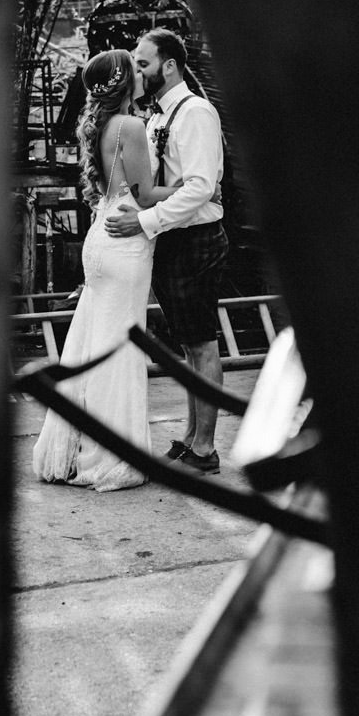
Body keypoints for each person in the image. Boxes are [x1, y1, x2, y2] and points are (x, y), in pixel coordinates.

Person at [32, 48, 182, 491]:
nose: (141, 73)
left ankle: (78, 448)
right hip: (125, 240)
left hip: (101, 235)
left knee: (91, 340)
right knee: (120, 346)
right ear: (121, 81)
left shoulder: (98, 124)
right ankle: (111, 456)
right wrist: (196, 186)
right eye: (135, 68)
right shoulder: (131, 126)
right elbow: (144, 192)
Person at [106, 28, 228, 473]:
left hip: (195, 240)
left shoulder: (195, 113)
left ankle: (206, 449)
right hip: (172, 239)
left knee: (202, 342)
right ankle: (192, 436)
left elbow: (199, 188)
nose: (136, 71)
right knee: (189, 345)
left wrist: (144, 221)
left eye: (143, 63)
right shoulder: (158, 116)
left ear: (169, 65)